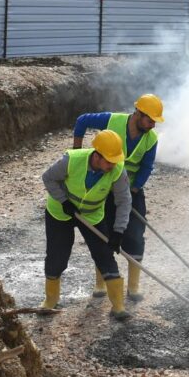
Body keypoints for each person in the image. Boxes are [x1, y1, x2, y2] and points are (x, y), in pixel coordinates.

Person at [72, 94, 164, 302]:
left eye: (155, 122)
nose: (153, 126)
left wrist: (134, 188)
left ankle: (133, 286)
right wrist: (76, 150)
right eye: (150, 120)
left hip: (130, 190)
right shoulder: (112, 121)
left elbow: (147, 167)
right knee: (101, 232)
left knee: (135, 235)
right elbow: (82, 121)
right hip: (104, 187)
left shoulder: (151, 139)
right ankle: (101, 282)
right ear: (138, 114)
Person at [39, 130, 133, 321]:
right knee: (57, 256)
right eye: (109, 161)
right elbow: (48, 177)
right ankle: (51, 300)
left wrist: (118, 231)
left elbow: (124, 201)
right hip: (60, 212)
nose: (112, 166)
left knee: (105, 255)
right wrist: (64, 201)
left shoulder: (117, 170)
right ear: (96, 156)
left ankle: (118, 306)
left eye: (115, 161)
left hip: (92, 216)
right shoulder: (71, 160)